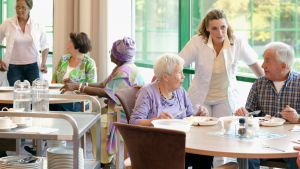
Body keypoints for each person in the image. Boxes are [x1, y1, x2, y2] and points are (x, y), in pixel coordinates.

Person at [60, 37, 145, 167]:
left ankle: (106, 162)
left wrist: (77, 87)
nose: (110, 53)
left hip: (125, 114)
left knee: (96, 120)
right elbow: (103, 84)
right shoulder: (123, 67)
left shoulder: (124, 71)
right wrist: (78, 84)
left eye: (111, 52)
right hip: (121, 109)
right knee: (94, 115)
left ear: (118, 56)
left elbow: (105, 91)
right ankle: (105, 160)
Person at [130, 53, 213, 169]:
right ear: (165, 76)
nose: (183, 76)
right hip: (156, 144)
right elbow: (134, 122)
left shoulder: (180, 91)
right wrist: (156, 121)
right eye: (179, 72)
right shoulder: (147, 92)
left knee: (206, 153)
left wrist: (198, 115)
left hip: (182, 142)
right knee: (181, 155)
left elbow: (189, 116)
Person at [178, 9, 264, 118]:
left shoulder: (237, 41)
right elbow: (178, 64)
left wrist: (268, 83)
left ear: (227, 26)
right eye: (214, 28)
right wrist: (159, 81)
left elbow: (253, 64)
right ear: (207, 28)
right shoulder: (197, 41)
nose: (220, 33)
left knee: (222, 130)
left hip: (225, 98)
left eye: (223, 27)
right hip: (201, 97)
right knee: (200, 129)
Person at [235, 42, 300, 169]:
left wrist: (297, 118)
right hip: (262, 141)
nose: (262, 65)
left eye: (267, 61)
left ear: (283, 66)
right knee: (246, 156)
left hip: (292, 142)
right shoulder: (259, 84)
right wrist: (244, 114)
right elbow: (250, 112)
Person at [0, 0, 49, 86]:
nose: (19, 10)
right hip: (13, 67)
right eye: (18, 7)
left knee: (34, 96)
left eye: (23, 8)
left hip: (33, 67)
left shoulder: (37, 24)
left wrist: (44, 62)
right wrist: (0, 61)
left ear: (30, 8)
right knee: (16, 96)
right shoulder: (7, 23)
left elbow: (44, 45)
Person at [50, 31, 97, 112]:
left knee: (56, 108)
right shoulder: (63, 58)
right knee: (40, 105)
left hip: (78, 100)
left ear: (77, 46)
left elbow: (91, 87)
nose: (66, 43)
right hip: (59, 97)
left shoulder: (89, 63)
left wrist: (75, 87)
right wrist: (55, 94)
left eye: (69, 42)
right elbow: (54, 78)